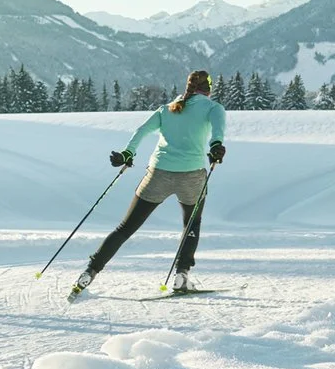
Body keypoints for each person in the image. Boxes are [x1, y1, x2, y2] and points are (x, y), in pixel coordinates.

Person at [71, 69, 226, 297]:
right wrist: (215, 148)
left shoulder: (168, 109)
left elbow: (141, 131)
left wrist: (127, 154)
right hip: (191, 175)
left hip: (158, 174)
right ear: (209, 88)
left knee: (125, 228)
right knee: (191, 225)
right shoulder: (214, 108)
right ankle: (181, 276)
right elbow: (218, 134)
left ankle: (89, 273)